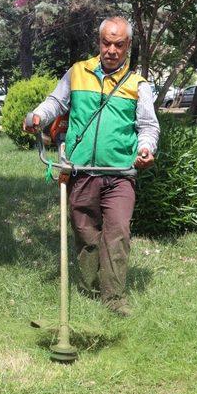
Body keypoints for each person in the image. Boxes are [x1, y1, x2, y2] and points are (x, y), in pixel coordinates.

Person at [23, 16, 160, 317]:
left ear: (128, 47)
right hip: (81, 172)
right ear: (99, 43)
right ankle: (89, 287)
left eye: (119, 44)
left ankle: (113, 299)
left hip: (120, 174)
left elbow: (148, 126)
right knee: (86, 234)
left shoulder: (139, 85)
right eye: (106, 43)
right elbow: (54, 104)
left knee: (118, 234)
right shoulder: (77, 73)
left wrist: (146, 148)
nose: (111, 49)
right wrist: (36, 117)